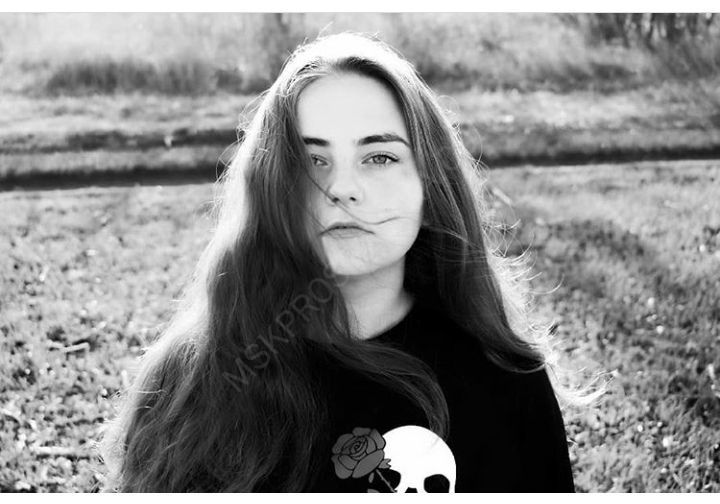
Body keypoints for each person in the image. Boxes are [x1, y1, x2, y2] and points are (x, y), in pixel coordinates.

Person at [98, 32, 596, 492]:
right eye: (310, 160)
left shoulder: (503, 378)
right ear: (271, 188)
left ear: (430, 185)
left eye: (379, 157)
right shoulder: (195, 380)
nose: (341, 188)